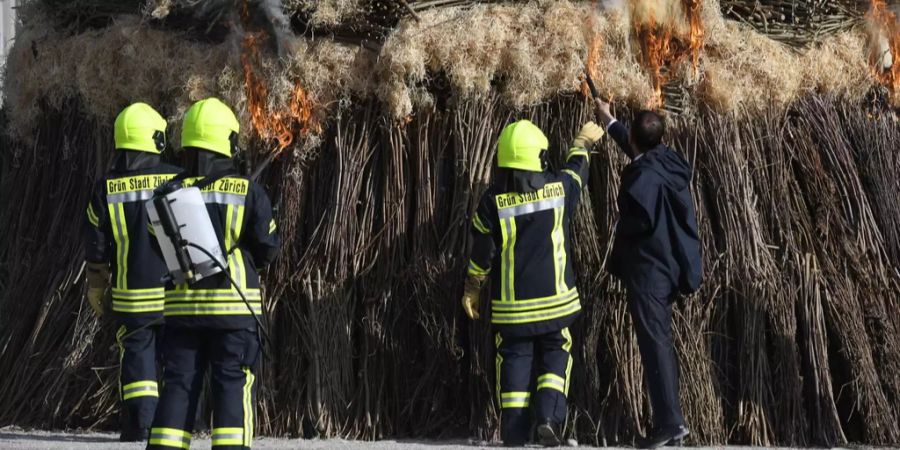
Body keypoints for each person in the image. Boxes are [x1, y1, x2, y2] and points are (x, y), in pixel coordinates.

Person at [461, 119, 605, 446]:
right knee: (557, 353)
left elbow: (482, 251)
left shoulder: (490, 203)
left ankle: (513, 433)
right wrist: (581, 143)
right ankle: (549, 419)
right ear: (538, 157)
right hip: (557, 303)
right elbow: (575, 174)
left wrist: (473, 286)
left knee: (513, 359)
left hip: (513, 311)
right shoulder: (558, 190)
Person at [147, 98, 279, 450]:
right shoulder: (247, 191)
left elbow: (158, 244)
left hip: (182, 312)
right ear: (230, 142)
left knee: (178, 386)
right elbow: (268, 247)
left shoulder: (168, 193)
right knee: (232, 386)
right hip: (234, 313)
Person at [593, 99, 702, 449]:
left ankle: (670, 424)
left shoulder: (642, 180)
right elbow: (638, 150)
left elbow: (636, 218)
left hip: (649, 272)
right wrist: (608, 120)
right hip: (670, 266)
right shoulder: (667, 162)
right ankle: (671, 424)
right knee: (659, 342)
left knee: (656, 346)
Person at [84, 102, 181, 441]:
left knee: (138, 361)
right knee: (178, 358)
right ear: (156, 139)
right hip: (175, 296)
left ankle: (140, 427)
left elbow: (95, 240)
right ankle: (178, 426)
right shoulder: (177, 179)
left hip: (131, 297)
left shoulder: (106, 189)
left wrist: (96, 282)